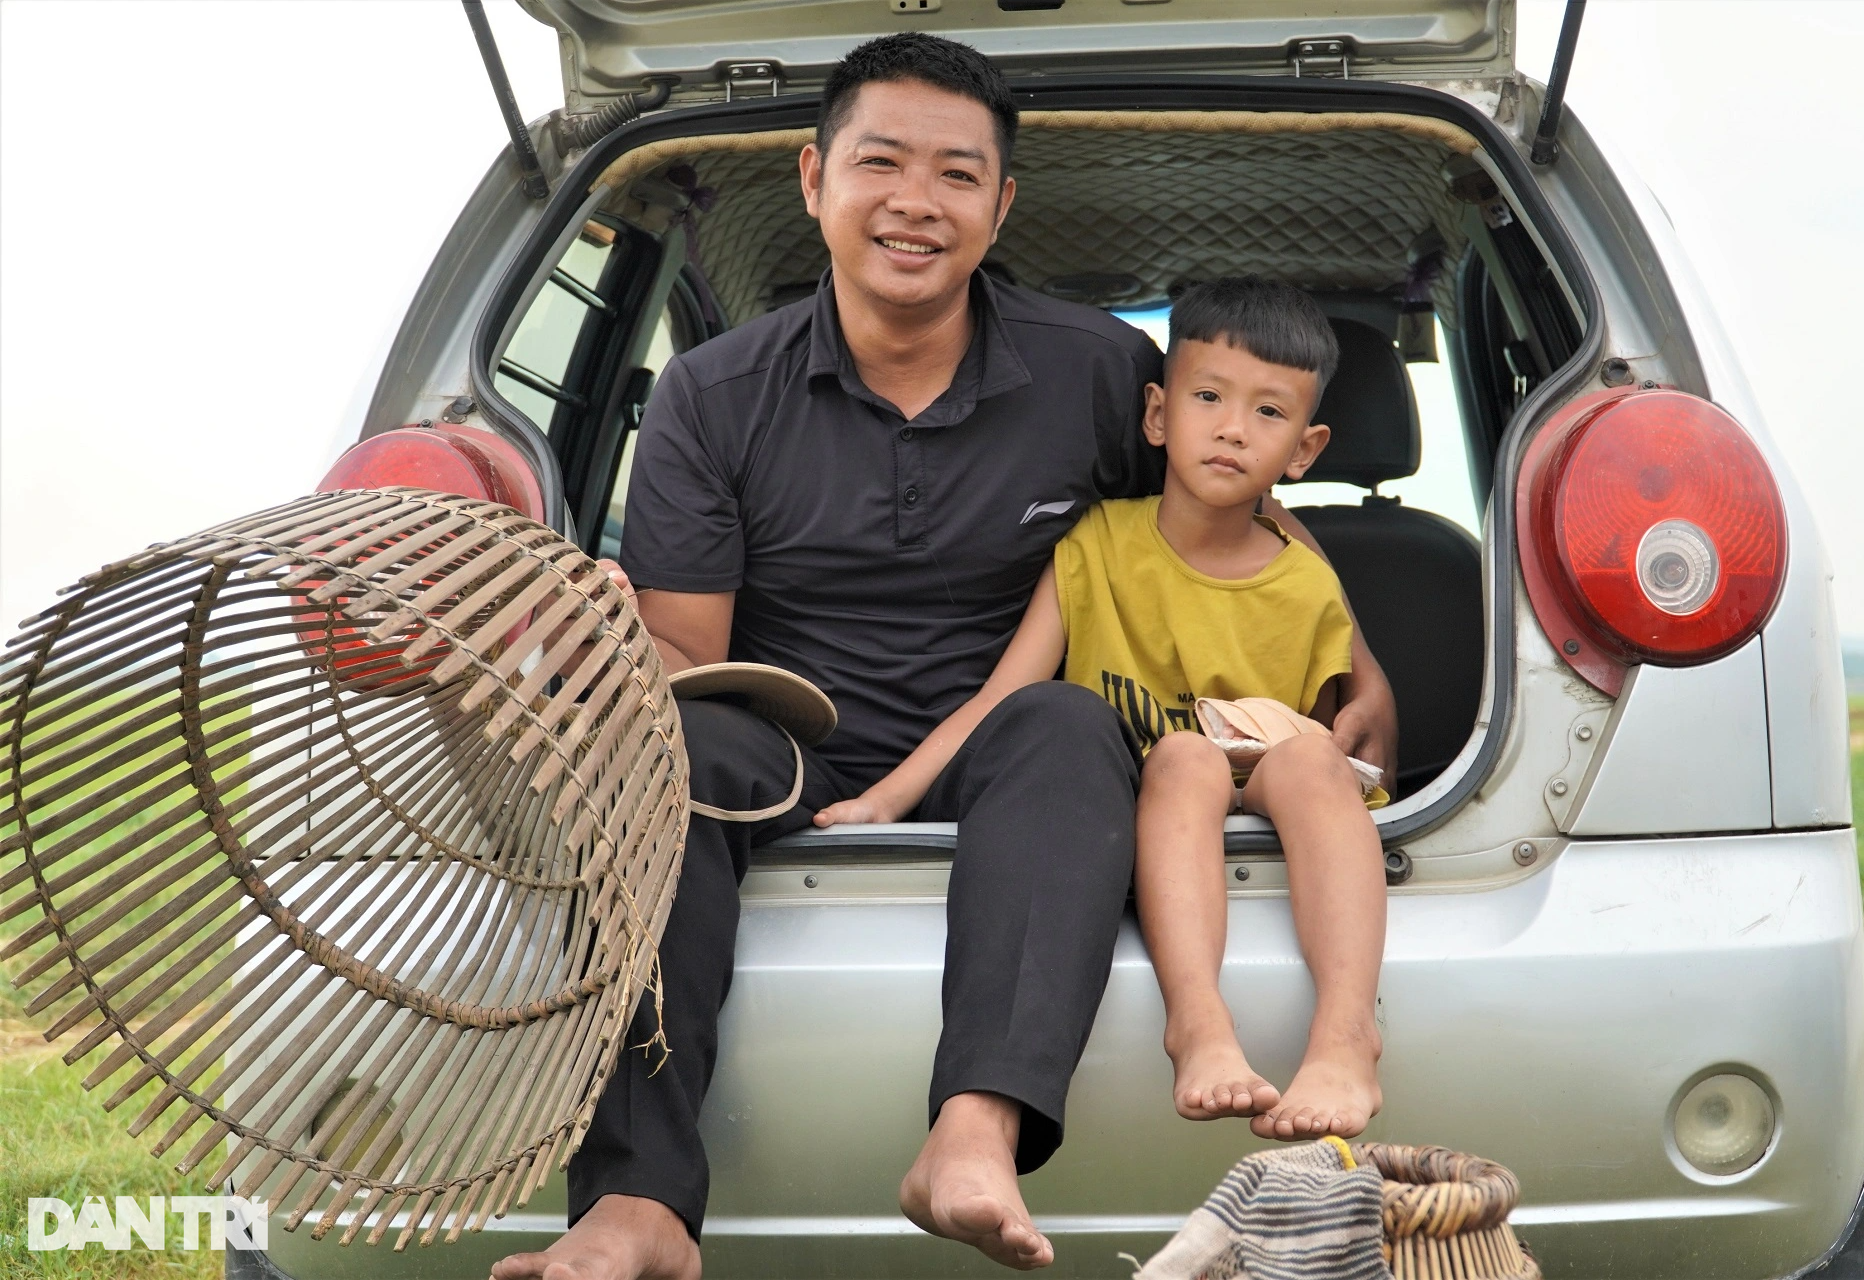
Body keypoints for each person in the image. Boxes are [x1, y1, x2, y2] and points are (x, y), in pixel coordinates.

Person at [494, 34, 1397, 1280]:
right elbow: (685, 652)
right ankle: (641, 1198)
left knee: (1073, 726)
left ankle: (971, 1131)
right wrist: (581, 629)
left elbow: (1219, 515)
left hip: (1015, 745)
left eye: (958, 174)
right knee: (673, 741)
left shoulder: (1094, 372)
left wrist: (1360, 678)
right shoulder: (712, 392)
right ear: (815, 179)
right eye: (881, 162)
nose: (917, 202)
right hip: (783, 733)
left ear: (1000, 204)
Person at [814, 276, 1386, 1141]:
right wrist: (889, 798)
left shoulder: (1307, 585)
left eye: (1269, 415)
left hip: (1265, 800)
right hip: (1140, 804)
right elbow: (1005, 694)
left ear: (1304, 451)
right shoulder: (1096, 545)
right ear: (1156, 416)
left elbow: (1324, 745)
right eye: (1207, 397)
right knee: (1183, 757)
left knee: (1306, 758)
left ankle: (1346, 1039)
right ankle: (1196, 1024)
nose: (1232, 428)